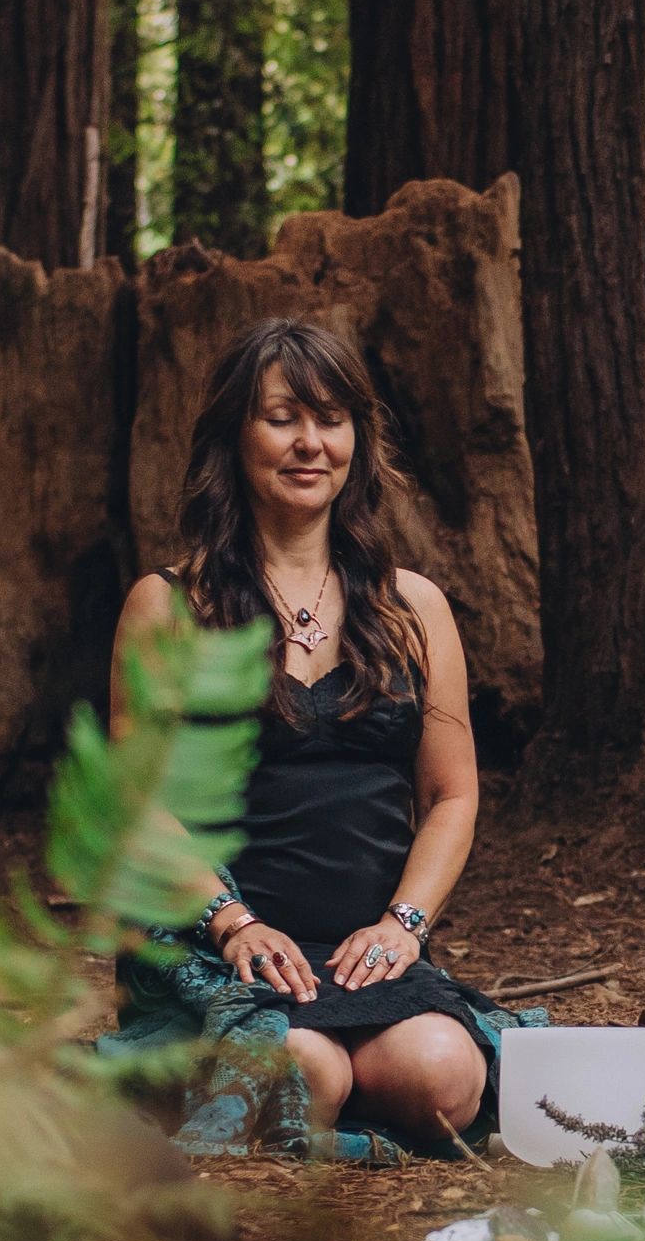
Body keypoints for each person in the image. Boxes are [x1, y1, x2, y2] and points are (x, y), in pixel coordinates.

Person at [100, 318, 514, 1158]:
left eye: (331, 419)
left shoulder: (413, 607)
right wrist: (232, 921)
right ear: (233, 434)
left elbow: (451, 795)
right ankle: (247, 1079)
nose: (310, 442)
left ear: (358, 440)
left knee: (444, 1078)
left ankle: (323, 1095)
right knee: (303, 1074)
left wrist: (404, 924)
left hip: (369, 954)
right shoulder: (168, 607)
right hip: (223, 949)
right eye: (282, 416)